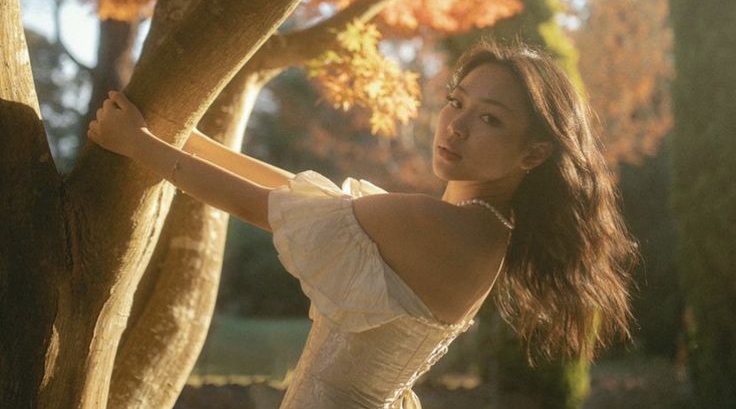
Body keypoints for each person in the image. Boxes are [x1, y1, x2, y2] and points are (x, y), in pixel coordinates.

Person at [88, 40, 637, 408]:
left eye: (490, 118)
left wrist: (138, 146)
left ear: (533, 155)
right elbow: (299, 193)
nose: (456, 126)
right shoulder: (479, 228)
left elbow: (263, 207)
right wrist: (189, 140)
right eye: (456, 101)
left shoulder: (442, 225)